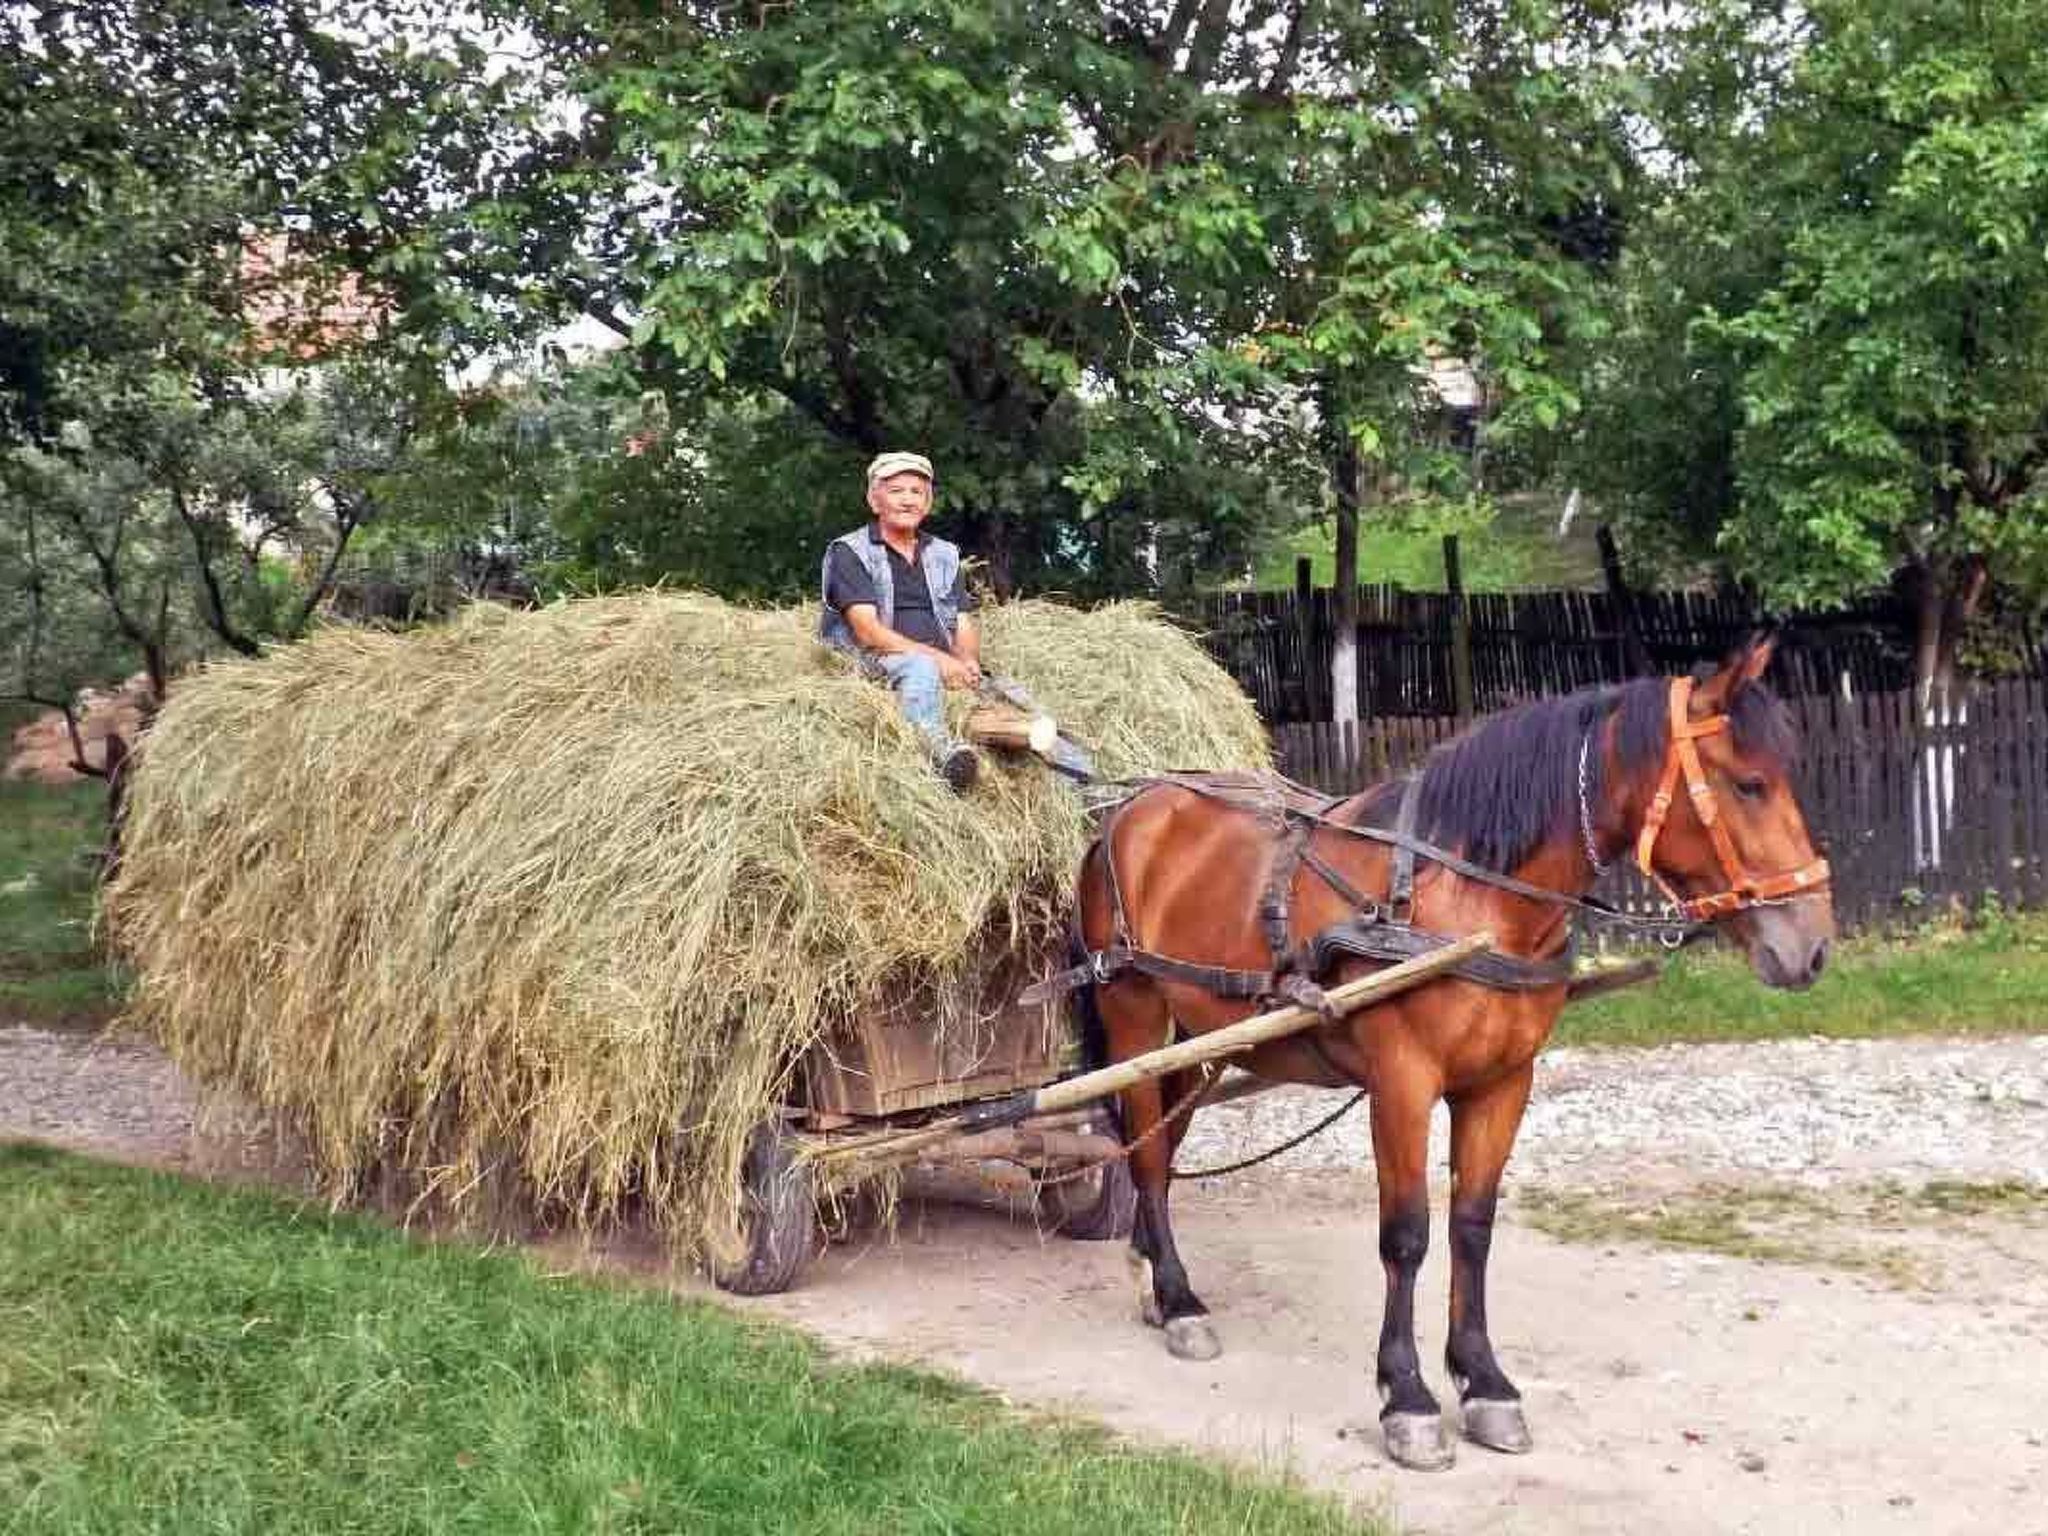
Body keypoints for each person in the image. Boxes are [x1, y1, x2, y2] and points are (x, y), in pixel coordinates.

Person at [819, 451, 985, 790]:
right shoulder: (850, 552)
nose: (908, 500)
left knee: (1019, 700)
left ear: (927, 502)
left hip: (941, 662)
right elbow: (867, 632)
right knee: (919, 668)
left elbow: (962, 618)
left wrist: (965, 660)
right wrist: (939, 660)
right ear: (874, 499)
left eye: (917, 492)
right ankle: (938, 753)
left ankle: (1091, 791)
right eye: (896, 491)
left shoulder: (945, 553)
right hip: (872, 661)